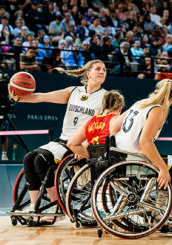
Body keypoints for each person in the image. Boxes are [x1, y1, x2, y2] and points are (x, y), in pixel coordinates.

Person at [8, 60, 108, 215]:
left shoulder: (105, 97)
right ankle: (34, 206)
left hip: (79, 144)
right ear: (88, 73)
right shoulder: (73, 91)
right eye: (98, 69)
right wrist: (20, 98)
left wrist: (85, 145)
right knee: (29, 158)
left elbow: (104, 125)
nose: (102, 71)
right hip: (63, 141)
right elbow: (43, 97)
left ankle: (56, 203)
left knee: (40, 159)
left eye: (104, 70)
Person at [115, 79, 172, 190]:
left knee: (157, 160)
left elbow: (113, 127)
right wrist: (163, 169)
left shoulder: (139, 103)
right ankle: (162, 204)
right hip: (132, 157)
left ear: (156, 91)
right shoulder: (158, 110)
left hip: (117, 153)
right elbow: (145, 141)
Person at [67, 90, 125, 159]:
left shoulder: (89, 122)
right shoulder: (117, 120)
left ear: (102, 106)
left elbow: (71, 144)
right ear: (120, 108)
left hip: (94, 165)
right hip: (113, 162)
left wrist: (89, 156)